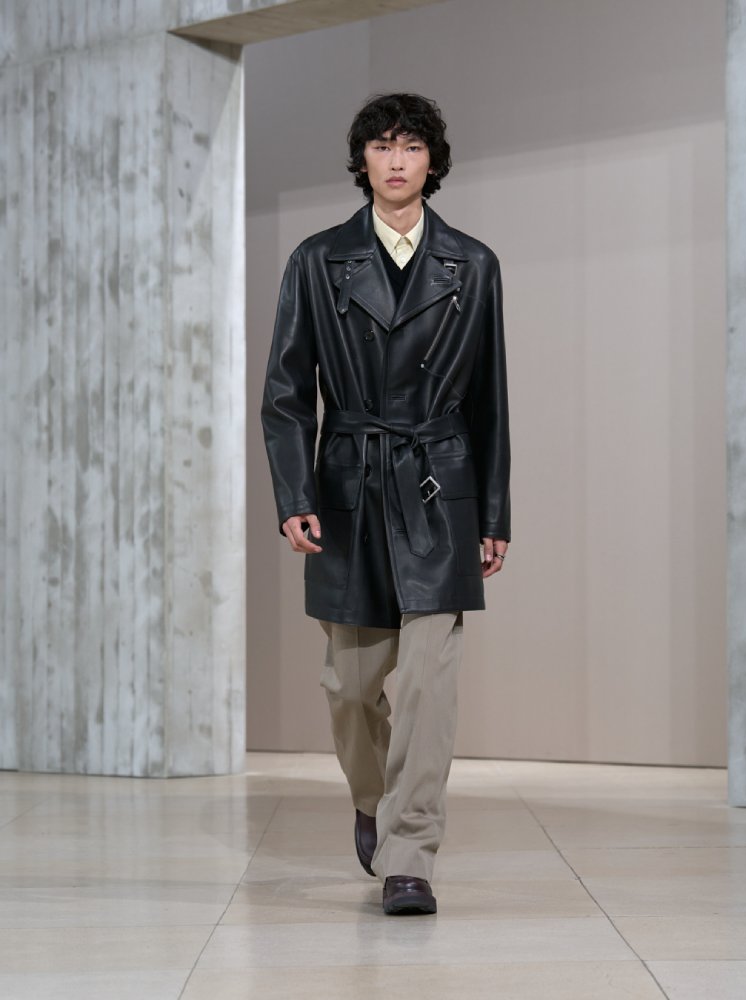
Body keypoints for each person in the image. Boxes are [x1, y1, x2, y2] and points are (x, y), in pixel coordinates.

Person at [261, 93, 510, 915]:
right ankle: (372, 800)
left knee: (431, 688)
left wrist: (494, 514)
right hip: (349, 486)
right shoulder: (317, 260)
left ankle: (410, 854)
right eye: (381, 145)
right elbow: (287, 394)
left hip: (439, 489)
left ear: (433, 162)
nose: (396, 160)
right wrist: (295, 494)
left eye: (411, 146)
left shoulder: (473, 264)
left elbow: (490, 401)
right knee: (348, 685)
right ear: (362, 159)